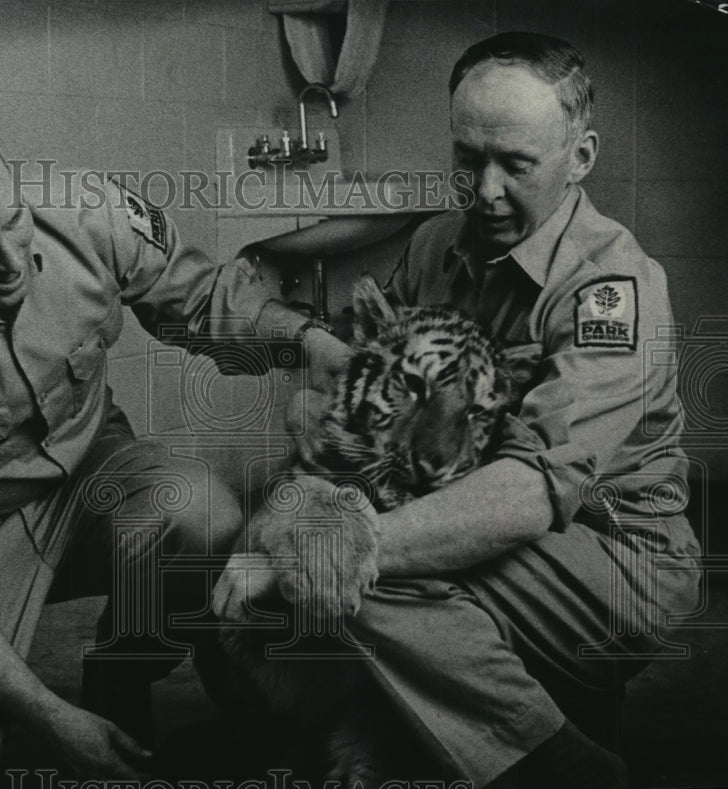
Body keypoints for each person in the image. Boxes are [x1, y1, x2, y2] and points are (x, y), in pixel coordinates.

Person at [215, 32, 702, 789]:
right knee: (298, 539)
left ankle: (564, 769)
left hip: (614, 550)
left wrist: (306, 548)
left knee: (347, 565)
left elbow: (530, 489)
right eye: (468, 158)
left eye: (516, 163)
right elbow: (373, 396)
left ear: (581, 158)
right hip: (477, 513)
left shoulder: (615, 287)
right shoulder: (439, 241)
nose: (485, 189)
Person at [0, 105, 348, 789]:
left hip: (95, 469)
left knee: (204, 516)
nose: (11, 262)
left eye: (11, 220)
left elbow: (201, 297)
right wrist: (49, 718)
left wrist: (310, 343)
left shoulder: (84, 208)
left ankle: (119, 683)